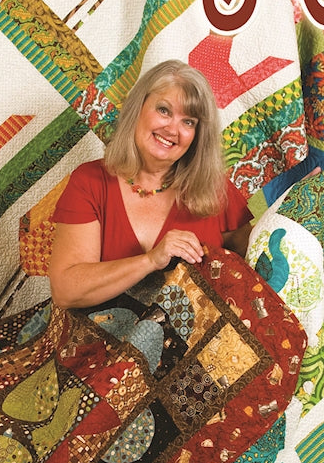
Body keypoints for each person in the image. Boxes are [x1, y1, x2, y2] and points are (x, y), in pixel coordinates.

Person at [49, 59, 253, 309]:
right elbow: (66, 292)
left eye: (188, 121)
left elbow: (256, 268)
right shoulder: (90, 182)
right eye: (164, 110)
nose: (172, 129)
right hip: (100, 332)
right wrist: (151, 260)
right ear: (138, 108)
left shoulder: (215, 189)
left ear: (198, 135)